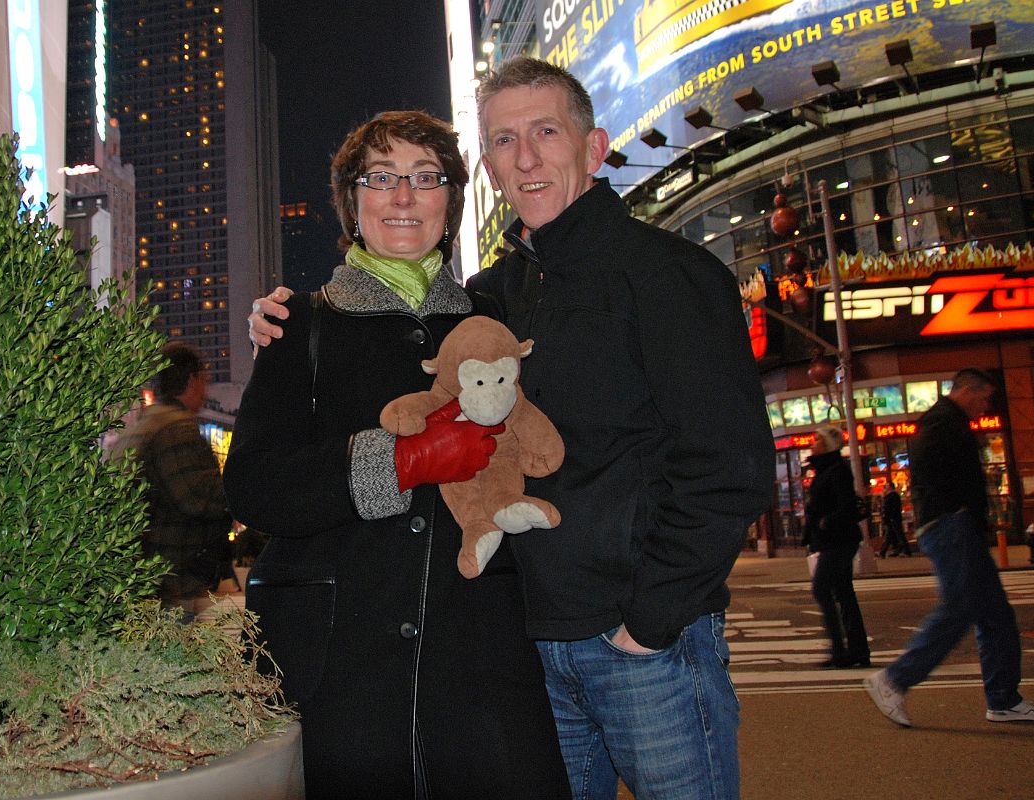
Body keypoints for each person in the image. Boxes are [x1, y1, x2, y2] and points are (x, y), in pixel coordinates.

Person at [250, 58, 776, 800]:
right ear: (490, 168)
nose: (525, 157)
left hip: (625, 643)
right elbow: (263, 479)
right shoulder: (493, 295)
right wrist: (288, 327)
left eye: (544, 132)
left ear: (591, 147)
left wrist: (652, 621)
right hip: (520, 648)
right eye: (503, 140)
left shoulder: (662, 274)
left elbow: (728, 464)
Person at [224, 110, 571, 800]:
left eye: (425, 178)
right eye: (380, 178)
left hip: (476, 659)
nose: (403, 197)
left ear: (451, 200)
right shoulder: (302, 326)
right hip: (339, 666)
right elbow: (255, 487)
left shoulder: (493, 319)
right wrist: (400, 462)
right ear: (351, 203)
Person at [864, 368, 1034, 727]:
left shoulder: (946, 422)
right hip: (950, 524)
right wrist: (958, 511)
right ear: (967, 391)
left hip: (955, 524)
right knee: (960, 608)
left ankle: (1003, 698)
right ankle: (895, 679)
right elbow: (936, 476)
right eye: (984, 397)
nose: (985, 406)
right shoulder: (943, 423)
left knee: (996, 615)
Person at [114, 342, 234, 617]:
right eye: (204, 380)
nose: (205, 390)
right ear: (191, 380)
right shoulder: (175, 429)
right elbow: (197, 497)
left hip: (142, 579)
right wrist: (239, 489)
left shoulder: (143, 427)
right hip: (170, 581)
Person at [801, 425, 871, 669]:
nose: (813, 443)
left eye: (817, 440)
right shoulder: (824, 469)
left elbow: (845, 506)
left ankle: (841, 650)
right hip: (833, 540)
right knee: (843, 592)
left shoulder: (837, 471)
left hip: (838, 540)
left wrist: (825, 522)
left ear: (828, 445)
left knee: (822, 588)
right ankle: (856, 650)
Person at [877, 482, 911, 557]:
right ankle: (889, 551)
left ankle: (905, 551)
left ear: (891, 487)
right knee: (892, 535)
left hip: (893, 518)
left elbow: (889, 508)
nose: (885, 488)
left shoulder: (892, 496)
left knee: (897, 535)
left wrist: (888, 517)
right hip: (892, 518)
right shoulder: (891, 496)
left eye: (887, 486)